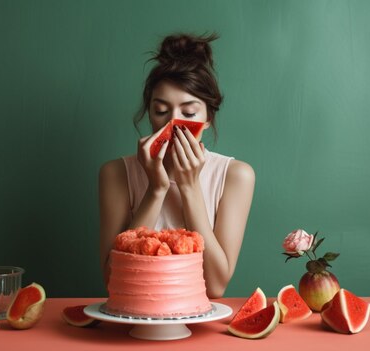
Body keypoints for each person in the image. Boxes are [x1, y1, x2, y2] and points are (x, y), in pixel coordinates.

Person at [99, 33, 255, 298]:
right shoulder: (115, 174)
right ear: (149, 114)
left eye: (189, 113)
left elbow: (216, 286)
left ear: (207, 119)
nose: (173, 124)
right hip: (134, 319)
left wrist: (190, 186)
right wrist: (156, 189)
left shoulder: (236, 176)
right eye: (161, 111)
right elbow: (114, 279)